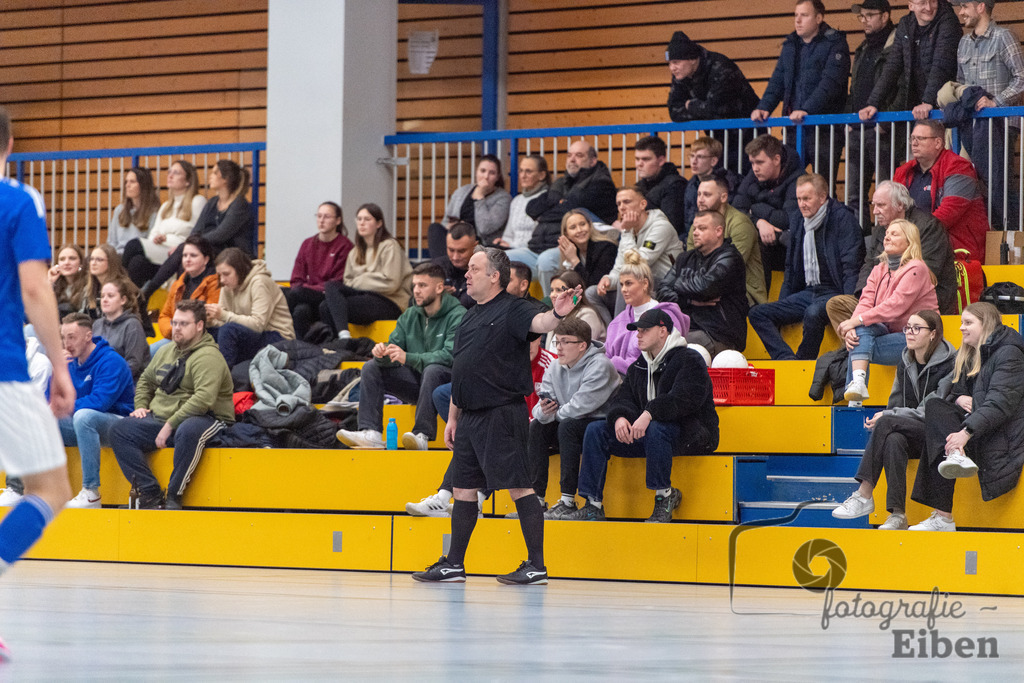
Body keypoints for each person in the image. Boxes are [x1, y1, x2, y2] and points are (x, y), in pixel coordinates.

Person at [410, 247, 584, 585]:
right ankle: (455, 564)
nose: (467, 274)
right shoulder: (468, 314)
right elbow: (462, 368)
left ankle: (536, 565)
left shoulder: (514, 309)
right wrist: (454, 417)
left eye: (474, 268)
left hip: (501, 413)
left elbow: (542, 321)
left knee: (519, 487)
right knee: (462, 489)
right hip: (469, 416)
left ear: (494, 276)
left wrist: (559, 314)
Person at [0, 106, 75, 659]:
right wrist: (61, 364)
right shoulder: (16, 202)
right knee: (52, 490)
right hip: (3, 369)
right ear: (8, 147)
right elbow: (34, 289)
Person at [567, 309, 719, 523]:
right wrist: (620, 417)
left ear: (663, 331)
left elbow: (683, 400)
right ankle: (592, 504)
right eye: (637, 330)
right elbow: (623, 398)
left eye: (645, 330)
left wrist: (648, 414)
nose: (638, 335)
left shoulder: (689, 359)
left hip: (692, 434)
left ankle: (664, 496)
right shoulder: (640, 364)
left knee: (656, 428)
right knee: (596, 430)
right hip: (652, 436)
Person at [832, 310, 954, 530]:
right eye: (907, 327)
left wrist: (887, 417)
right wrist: (888, 417)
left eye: (917, 328)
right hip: (914, 431)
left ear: (933, 334)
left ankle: (864, 494)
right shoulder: (905, 360)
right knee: (893, 439)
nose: (909, 332)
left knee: (887, 422)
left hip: (940, 433)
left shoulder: (950, 363)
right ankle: (897, 515)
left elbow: (932, 410)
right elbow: (895, 404)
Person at [109, 299, 235, 510]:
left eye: (183, 324)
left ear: (199, 326)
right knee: (120, 430)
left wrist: (170, 425)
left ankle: (174, 497)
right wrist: (140, 405)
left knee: (188, 430)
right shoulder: (166, 351)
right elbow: (146, 381)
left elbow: (204, 400)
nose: (176, 328)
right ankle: (149, 494)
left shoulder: (209, 356)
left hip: (208, 418)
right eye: (175, 323)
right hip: (163, 418)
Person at [909, 302, 1024, 531]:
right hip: (983, 428)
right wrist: (959, 399)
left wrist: (966, 433)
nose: (961, 328)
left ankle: (943, 517)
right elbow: (955, 392)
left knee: (939, 438)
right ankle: (954, 458)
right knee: (935, 407)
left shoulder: (1009, 354)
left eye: (968, 322)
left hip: (1003, 436)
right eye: (961, 322)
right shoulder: (972, 353)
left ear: (987, 325)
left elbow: (999, 404)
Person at [336, 262, 465, 451]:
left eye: (422, 285)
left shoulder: (458, 314)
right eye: (414, 285)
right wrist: (381, 353)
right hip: (417, 383)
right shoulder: (410, 315)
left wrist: (409, 358)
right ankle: (371, 432)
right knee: (371, 367)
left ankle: (421, 435)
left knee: (433, 369)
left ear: (439, 288)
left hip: (445, 384)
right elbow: (395, 346)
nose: (416, 291)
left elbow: (450, 356)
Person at [748, 174, 864, 360]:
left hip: (834, 292)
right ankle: (787, 360)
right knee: (758, 314)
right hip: (808, 293)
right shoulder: (798, 221)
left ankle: (802, 363)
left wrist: (848, 303)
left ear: (822, 197)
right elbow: (790, 268)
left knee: (813, 313)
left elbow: (851, 266)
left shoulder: (842, 219)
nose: (802, 204)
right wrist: (781, 309)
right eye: (799, 199)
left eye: (807, 199)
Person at [837, 219, 939, 403]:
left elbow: (896, 305)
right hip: (891, 333)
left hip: (919, 337)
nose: (887, 237)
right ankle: (857, 386)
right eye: (886, 234)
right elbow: (865, 301)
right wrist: (853, 325)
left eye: (894, 234)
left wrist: (856, 321)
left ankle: (854, 400)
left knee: (858, 342)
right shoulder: (879, 269)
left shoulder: (917, 267)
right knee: (859, 333)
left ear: (909, 241)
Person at [530, 317, 620, 520]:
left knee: (568, 426)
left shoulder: (600, 365)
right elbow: (542, 402)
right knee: (536, 427)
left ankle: (568, 500)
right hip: (569, 421)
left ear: (582, 345)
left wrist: (555, 413)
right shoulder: (555, 366)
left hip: (600, 424)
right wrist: (543, 412)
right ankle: (536, 499)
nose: (558, 348)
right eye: (556, 341)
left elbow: (582, 406)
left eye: (565, 342)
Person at [827, 182, 956, 321]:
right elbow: (869, 265)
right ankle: (860, 336)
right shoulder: (880, 230)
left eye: (881, 205)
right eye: (874, 205)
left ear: (900, 205)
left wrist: (872, 308)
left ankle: (862, 337)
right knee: (836, 305)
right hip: (881, 298)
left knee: (862, 322)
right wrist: (864, 298)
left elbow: (925, 274)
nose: (875, 211)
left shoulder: (928, 227)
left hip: (917, 305)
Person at [751, 0, 851, 176]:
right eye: (796, 15)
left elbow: (830, 84)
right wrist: (764, 107)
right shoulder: (790, 45)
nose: (798, 20)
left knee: (823, 185)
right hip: (794, 128)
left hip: (825, 129)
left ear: (818, 18)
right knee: (789, 182)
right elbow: (778, 80)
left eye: (804, 15)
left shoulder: (835, 43)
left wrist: (806, 109)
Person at [950, 0, 1024, 230]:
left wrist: (996, 102)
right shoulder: (963, 43)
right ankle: (991, 236)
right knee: (978, 182)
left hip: (1000, 125)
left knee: (999, 183)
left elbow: (1021, 77)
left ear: (980, 6)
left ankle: (1009, 236)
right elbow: (961, 84)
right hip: (971, 127)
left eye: (964, 6)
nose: (961, 12)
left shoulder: (1003, 37)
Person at [140, 159, 254, 303]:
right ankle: (181, 302)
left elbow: (221, 234)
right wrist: (191, 243)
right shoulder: (213, 202)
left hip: (235, 253)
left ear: (225, 179)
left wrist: (193, 243)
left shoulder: (240, 205)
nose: (210, 176)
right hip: (213, 249)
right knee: (187, 253)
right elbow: (196, 230)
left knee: (187, 249)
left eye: (214, 173)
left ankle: (149, 292)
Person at [58, 313, 136, 509]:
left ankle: (91, 492)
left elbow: (100, 402)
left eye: (72, 337)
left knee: (84, 416)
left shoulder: (111, 361)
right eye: (63, 337)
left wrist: (63, 407)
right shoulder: (69, 362)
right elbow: (54, 399)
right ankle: (32, 489)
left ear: (88, 336)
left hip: (119, 425)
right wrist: (57, 368)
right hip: (84, 425)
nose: (66, 343)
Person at [892, 120, 989, 261]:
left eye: (921, 138)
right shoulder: (903, 172)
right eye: (912, 138)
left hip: (956, 249)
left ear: (938, 143)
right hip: (916, 243)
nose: (914, 143)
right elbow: (893, 209)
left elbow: (947, 214)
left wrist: (908, 235)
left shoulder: (958, 167)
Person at [658, 210, 749, 358]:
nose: (695, 233)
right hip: (687, 327)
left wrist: (678, 283)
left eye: (702, 228)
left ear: (718, 231)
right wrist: (688, 300)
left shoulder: (730, 257)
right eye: (694, 228)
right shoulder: (684, 258)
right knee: (652, 339)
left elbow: (705, 287)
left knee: (670, 345)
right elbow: (662, 291)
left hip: (718, 334)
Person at [665, 31, 760, 169]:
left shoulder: (720, 67)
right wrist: (702, 110)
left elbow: (712, 109)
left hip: (749, 136)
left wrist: (690, 105)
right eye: (669, 63)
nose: (672, 68)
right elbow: (674, 112)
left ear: (692, 59)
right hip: (719, 141)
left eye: (676, 62)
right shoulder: (681, 75)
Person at [858, 0, 961, 124]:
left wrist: (928, 101)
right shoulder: (905, 24)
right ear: (911, 5)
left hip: (944, 107)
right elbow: (893, 66)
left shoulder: (948, 21)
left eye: (933, 1)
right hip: (916, 106)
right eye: (922, 3)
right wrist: (873, 103)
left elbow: (942, 64)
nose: (928, 7)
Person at [320, 204, 412, 338]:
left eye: (367, 219)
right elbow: (348, 282)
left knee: (332, 302)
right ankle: (340, 343)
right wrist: (367, 280)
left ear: (379, 223)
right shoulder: (355, 252)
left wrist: (362, 279)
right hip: (365, 298)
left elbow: (391, 283)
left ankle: (344, 337)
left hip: (391, 302)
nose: (362, 223)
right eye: (359, 219)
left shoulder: (390, 246)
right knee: (326, 302)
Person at [590, 186, 682, 322]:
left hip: (666, 285)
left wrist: (626, 232)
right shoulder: (629, 230)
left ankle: (622, 333)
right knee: (592, 293)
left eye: (627, 202)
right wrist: (609, 279)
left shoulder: (661, 226)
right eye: (619, 204)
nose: (622, 207)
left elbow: (638, 262)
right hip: (642, 283)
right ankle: (611, 332)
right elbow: (620, 267)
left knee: (629, 281)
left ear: (643, 204)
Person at [845, 0, 897, 227]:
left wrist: (885, 120)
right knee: (853, 194)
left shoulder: (895, 46)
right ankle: (861, 245)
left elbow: (899, 85)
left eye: (869, 15)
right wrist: (849, 117)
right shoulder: (863, 48)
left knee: (886, 193)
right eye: (862, 16)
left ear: (885, 16)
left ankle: (886, 240)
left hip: (882, 128)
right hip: (858, 128)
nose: (864, 20)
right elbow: (854, 88)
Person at [525, 140, 618, 259]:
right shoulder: (561, 183)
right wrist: (557, 204)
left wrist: (542, 216)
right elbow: (531, 208)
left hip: (579, 249)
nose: (572, 159)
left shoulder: (600, 183)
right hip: (540, 245)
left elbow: (569, 210)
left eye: (579, 155)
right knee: (505, 258)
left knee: (546, 260)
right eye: (569, 155)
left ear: (592, 160)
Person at [205, 248, 295, 368]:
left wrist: (222, 315)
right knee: (207, 332)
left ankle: (224, 378)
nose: (222, 280)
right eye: (219, 275)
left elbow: (258, 325)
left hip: (278, 337)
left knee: (228, 330)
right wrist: (210, 321)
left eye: (226, 274)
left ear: (240, 270)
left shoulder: (260, 282)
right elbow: (224, 320)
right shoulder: (227, 284)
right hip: (252, 334)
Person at [730, 134, 804, 279]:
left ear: (776, 159)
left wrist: (755, 209)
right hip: (762, 235)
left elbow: (786, 220)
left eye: (759, 162)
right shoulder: (754, 175)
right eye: (752, 163)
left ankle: (757, 299)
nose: (755, 168)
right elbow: (735, 211)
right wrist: (759, 222)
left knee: (754, 243)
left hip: (788, 246)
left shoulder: (797, 179)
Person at [123, 160, 206, 287]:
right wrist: (157, 237)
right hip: (160, 250)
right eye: (169, 172)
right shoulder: (166, 205)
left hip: (178, 251)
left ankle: (118, 288)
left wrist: (166, 233)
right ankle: (133, 302)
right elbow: (153, 234)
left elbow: (193, 230)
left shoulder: (198, 201)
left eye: (176, 173)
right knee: (137, 262)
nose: (170, 176)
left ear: (188, 180)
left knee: (133, 245)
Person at [604, 251, 689, 375]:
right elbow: (606, 356)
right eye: (621, 284)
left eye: (629, 283)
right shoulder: (617, 322)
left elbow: (661, 359)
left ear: (645, 284)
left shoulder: (666, 316)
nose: (623, 290)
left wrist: (616, 363)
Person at [691, 175, 767, 306]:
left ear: (724, 197)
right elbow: (690, 263)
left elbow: (729, 269)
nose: (700, 200)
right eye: (699, 194)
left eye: (707, 195)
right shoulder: (697, 224)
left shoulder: (740, 224)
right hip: (707, 285)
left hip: (745, 292)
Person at [286, 201, 353, 339]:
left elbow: (338, 281)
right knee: (300, 310)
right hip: (308, 294)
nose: (321, 221)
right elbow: (296, 279)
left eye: (327, 217)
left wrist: (308, 288)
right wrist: (306, 288)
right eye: (319, 216)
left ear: (338, 220)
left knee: (294, 294)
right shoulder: (307, 244)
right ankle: (302, 349)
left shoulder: (345, 246)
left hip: (328, 295)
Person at [427, 154, 511, 258]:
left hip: (480, 243)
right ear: (476, 172)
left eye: (492, 173)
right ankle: (442, 264)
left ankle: (444, 266)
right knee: (434, 228)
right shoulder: (462, 191)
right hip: (456, 238)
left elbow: (486, 228)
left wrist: (480, 197)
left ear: (498, 177)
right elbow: (446, 221)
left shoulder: (503, 198)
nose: (486, 176)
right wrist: (454, 226)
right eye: (483, 171)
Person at [535, 209, 617, 298]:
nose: (579, 230)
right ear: (567, 233)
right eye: (573, 227)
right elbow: (568, 285)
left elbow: (593, 287)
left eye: (582, 224)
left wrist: (574, 260)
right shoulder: (572, 250)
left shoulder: (606, 248)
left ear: (589, 226)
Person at [157, 235, 220, 348]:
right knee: (148, 353)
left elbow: (209, 318)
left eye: (193, 255)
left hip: (201, 341)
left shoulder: (215, 284)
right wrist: (175, 330)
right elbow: (164, 316)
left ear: (206, 259)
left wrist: (179, 329)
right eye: (185, 255)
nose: (187, 259)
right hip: (176, 338)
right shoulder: (178, 284)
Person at [497, 155, 552, 272]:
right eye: (521, 171)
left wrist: (513, 246)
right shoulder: (516, 200)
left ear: (542, 175)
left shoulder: (548, 199)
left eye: (528, 171)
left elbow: (540, 237)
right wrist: (503, 243)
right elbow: (508, 235)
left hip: (534, 254)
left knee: (502, 260)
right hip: (513, 250)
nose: (522, 175)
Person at [93, 279, 150, 380]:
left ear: (123, 300)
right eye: (102, 296)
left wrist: (109, 379)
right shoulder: (97, 324)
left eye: (110, 296)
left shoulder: (132, 325)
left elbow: (133, 363)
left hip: (127, 382)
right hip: (100, 380)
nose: (104, 300)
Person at [632, 135, 685, 235]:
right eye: (637, 159)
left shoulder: (675, 185)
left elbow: (670, 226)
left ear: (661, 160)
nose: (639, 164)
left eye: (646, 159)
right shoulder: (638, 187)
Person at [545, 271, 606, 354]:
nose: (553, 295)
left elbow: (580, 352)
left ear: (574, 293)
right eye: (552, 290)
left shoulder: (588, 315)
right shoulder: (553, 316)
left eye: (559, 290)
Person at [683, 137, 735, 234]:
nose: (694, 161)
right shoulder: (691, 184)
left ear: (713, 161)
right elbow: (687, 221)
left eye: (700, 157)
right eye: (692, 156)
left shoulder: (727, 182)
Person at [106, 167, 159, 255]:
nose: (127, 185)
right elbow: (111, 242)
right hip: (118, 257)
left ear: (143, 185)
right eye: (126, 181)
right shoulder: (119, 210)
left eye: (132, 182)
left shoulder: (154, 212)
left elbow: (150, 244)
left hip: (137, 256)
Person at [432, 221, 479, 309]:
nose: (455, 257)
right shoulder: (438, 267)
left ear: (475, 246)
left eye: (462, 251)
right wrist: (434, 296)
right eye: (451, 250)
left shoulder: (486, 271)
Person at [83, 244, 134, 319]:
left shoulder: (124, 286)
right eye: (91, 259)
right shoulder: (90, 288)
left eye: (99, 260)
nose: (93, 263)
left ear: (110, 263)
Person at [48, 243, 89, 318]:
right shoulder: (55, 285)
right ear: (57, 264)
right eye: (62, 259)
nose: (67, 263)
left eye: (72, 258)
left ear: (81, 263)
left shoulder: (89, 284)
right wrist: (49, 282)